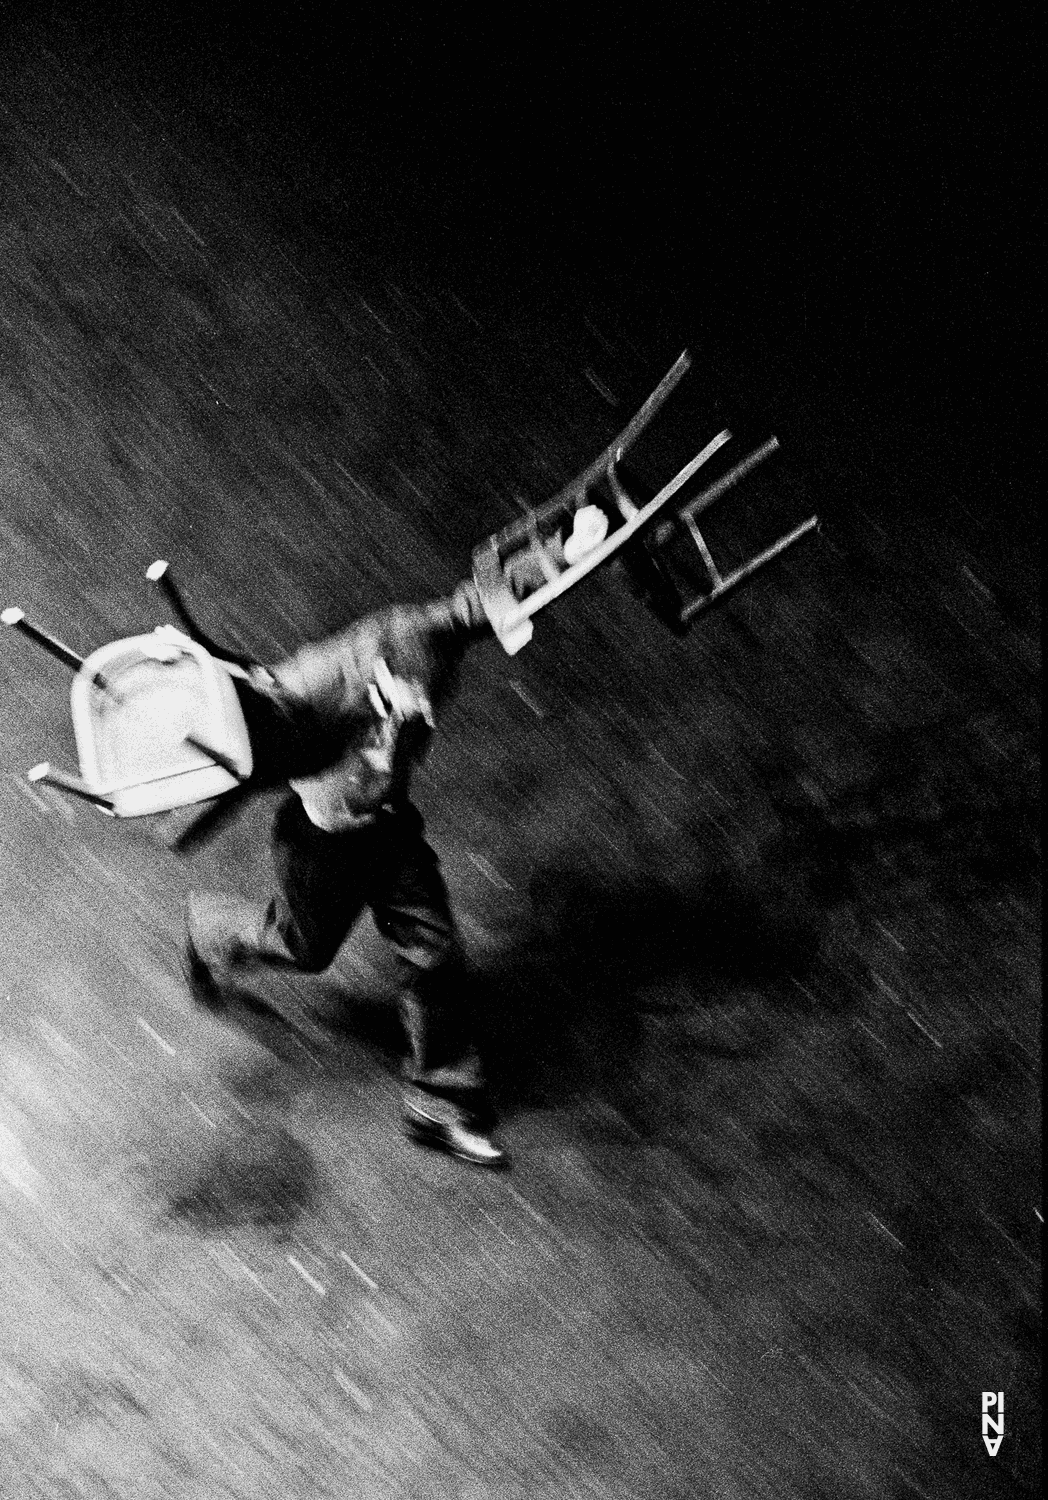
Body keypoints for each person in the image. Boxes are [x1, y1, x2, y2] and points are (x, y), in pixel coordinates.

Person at [183, 578, 506, 1168]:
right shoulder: (318, 680)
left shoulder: (423, 639)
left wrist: (572, 550)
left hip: (388, 829)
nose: (388, 746)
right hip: (321, 843)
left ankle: (438, 1100)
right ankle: (212, 928)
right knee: (303, 948)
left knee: (435, 953)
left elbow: (476, 602)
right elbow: (255, 711)